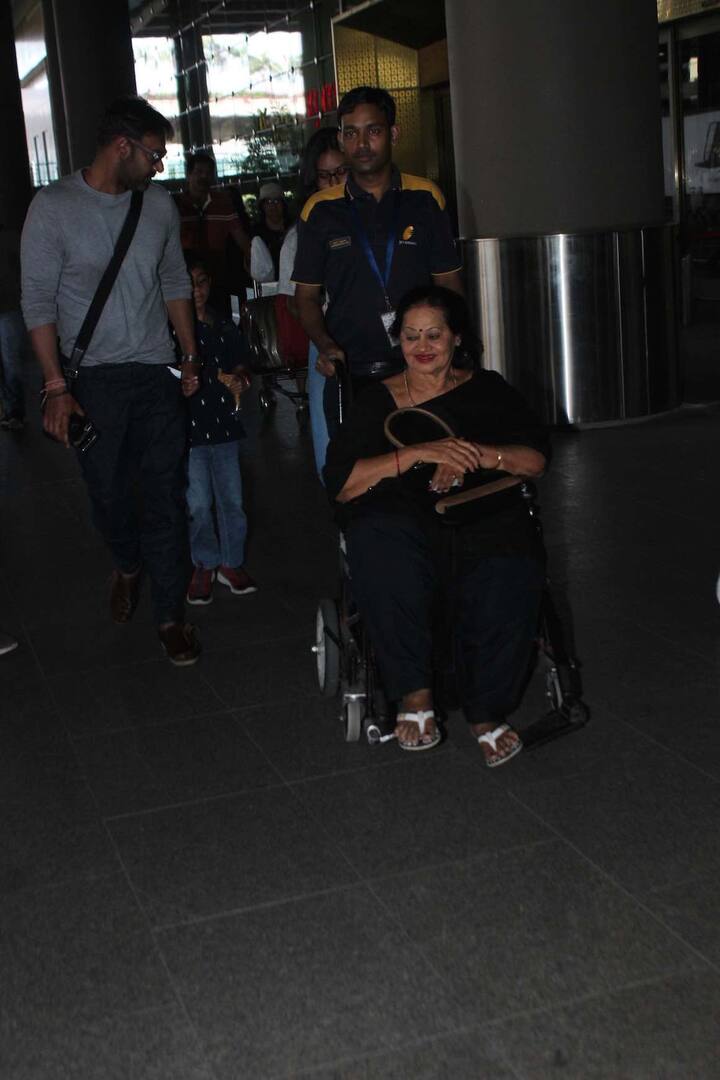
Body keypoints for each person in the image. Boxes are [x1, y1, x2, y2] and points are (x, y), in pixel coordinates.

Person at [324, 286, 550, 763]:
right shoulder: (376, 400)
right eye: (410, 336)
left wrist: (476, 455)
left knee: (510, 560)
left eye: (433, 334)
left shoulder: (487, 389)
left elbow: (534, 460)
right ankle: (414, 695)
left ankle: (487, 711)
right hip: (400, 515)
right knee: (381, 541)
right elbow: (343, 483)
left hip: (477, 511)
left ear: (456, 338)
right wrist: (419, 453)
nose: (421, 346)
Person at [21, 95, 202, 666]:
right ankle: (127, 564)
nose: (159, 165)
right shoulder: (52, 208)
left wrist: (190, 357)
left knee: (167, 500)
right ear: (121, 147)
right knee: (107, 496)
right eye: (153, 153)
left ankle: (171, 616)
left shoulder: (158, 207)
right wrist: (55, 386)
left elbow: (174, 279)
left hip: (154, 374)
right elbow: (38, 302)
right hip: (91, 382)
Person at [292, 85, 463, 408]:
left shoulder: (426, 198)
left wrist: (456, 345)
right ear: (341, 139)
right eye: (351, 134)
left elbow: (448, 284)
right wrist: (325, 345)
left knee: (430, 456)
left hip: (423, 369)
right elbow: (306, 297)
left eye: (373, 131)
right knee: (356, 459)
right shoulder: (319, 210)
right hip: (352, 374)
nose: (362, 144)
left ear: (393, 133)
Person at [184, 254, 257, 605]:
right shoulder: (170, 328)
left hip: (225, 426)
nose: (196, 291)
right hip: (189, 430)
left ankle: (231, 562)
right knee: (198, 502)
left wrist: (240, 378)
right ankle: (204, 562)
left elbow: (242, 363)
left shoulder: (223, 324)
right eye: (189, 283)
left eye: (201, 282)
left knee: (232, 499)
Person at [277, 127, 348, 476]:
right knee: (330, 441)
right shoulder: (301, 234)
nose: (334, 183)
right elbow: (295, 301)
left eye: (341, 172)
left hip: (376, 341)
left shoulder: (372, 221)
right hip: (326, 345)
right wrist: (322, 338)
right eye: (325, 176)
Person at [174, 152, 251, 314]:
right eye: (199, 172)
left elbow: (241, 239)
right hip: (185, 278)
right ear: (188, 175)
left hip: (218, 277)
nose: (204, 177)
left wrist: (252, 260)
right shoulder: (176, 206)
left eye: (208, 173)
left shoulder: (223, 203)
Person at [0, 223, 26, 430]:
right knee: (9, 364)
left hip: (9, 307)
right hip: (10, 306)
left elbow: (23, 269)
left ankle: (14, 412)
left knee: (11, 364)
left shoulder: (9, 237)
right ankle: (11, 411)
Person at [250, 181, 292, 284]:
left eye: (277, 201)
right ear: (262, 206)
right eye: (268, 202)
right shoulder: (257, 233)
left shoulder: (293, 229)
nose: (273, 206)